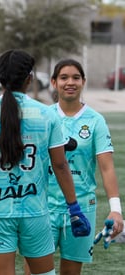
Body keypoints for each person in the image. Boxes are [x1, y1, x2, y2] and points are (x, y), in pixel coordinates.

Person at [0, 49, 91, 275]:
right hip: (36, 212)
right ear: (30, 78)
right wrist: (74, 207)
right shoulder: (47, 114)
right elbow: (60, 166)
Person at [47, 59, 123, 274]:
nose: (70, 82)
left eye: (76, 77)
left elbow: (107, 167)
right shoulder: (44, 117)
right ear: (54, 82)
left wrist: (116, 210)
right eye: (64, 78)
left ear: (83, 82)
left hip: (81, 208)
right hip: (43, 207)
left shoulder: (96, 120)